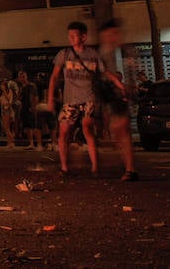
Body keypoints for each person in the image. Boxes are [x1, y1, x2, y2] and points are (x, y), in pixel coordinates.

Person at [48, 20, 111, 177]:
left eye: (75, 35)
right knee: (64, 132)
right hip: (70, 100)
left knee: (87, 130)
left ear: (84, 37)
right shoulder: (64, 54)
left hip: (89, 98)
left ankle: (95, 168)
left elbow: (104, 73)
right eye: (69, 36)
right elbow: (54, 77)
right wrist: (50, 98)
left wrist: (117, 84)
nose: (71, 38)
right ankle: (64, 167)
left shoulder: (93, 54)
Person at [94, 18, 137, 181]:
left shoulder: (123, 50)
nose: (109, 37)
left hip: (120, 95)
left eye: (111, 34)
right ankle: (128, 166)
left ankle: (130, 169)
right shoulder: (103, 51)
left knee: (122, 129)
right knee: (118, 132)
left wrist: (127, 89)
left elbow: (129, 72)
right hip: (109, 95)